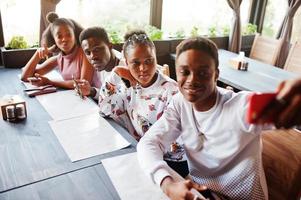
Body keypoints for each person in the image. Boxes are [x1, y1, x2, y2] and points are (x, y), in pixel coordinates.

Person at [137, 37, 301, 200]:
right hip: (202, 191)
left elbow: (285, 107)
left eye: (203, 73)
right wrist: (167, 184)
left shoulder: (240, 107)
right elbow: (149, 142)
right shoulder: (180, 103)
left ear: (216, 75)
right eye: (185, 72)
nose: (192, 80)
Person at [98, 30, 178, 140]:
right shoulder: (126, 87)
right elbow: (105, 110)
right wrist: (115, 73)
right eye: (136, 63)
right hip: (133, 147)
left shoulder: (172, 92)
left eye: (149, 60)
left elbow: (173, 139)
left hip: (157, 154)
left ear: (156, 58)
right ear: (126, 63)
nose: (143, 68)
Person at [21, 12, 94, 89]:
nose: (64, 39)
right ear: (54, 40)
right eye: (59, 36)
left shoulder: (86, 53)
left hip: (94, 99)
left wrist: (50, 82)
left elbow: (83, 85)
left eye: (68, 34)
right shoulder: (59, 58)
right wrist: (37, 54)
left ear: (75, 36)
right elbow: (25, 77)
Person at [77, 26, 124, 99]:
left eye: (97, 49)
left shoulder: (126, 68)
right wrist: (91, 91)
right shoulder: (104, 63)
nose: (93, 56)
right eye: (88, 52)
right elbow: (109, 95)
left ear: (110, 46)